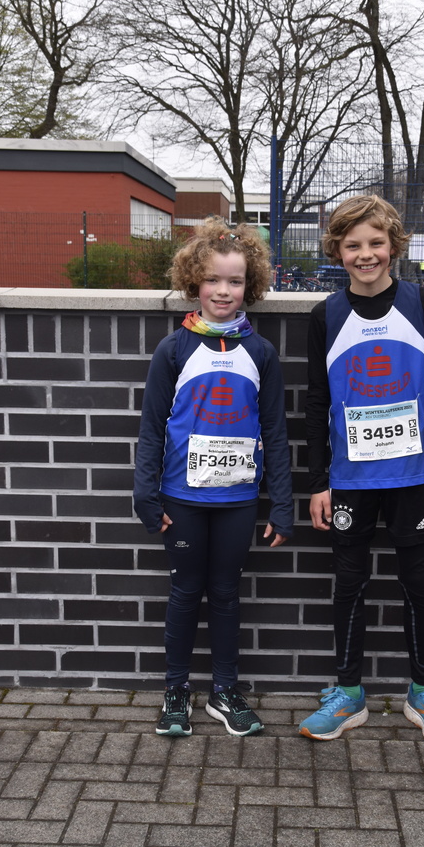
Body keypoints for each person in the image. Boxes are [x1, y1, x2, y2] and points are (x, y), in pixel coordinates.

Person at [300, 194, 424, 745]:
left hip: (415, 477)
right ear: (338, 251)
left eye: (375, 243)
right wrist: (318, 481)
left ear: (393, 245)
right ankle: (349, 695)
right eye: (353, 245)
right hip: (349, 481)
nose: (365, 254)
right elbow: (316, 404)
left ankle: (423, 692)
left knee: (418, 583)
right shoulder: (325, 315)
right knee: (349, 584)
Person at [134, 218, 293, 738]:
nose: (224, 291)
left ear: (252, 286)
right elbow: (152, 427)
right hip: (180, 498)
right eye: (214, 280)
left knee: (226, 594)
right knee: (185, 592)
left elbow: (274, 429)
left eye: (235, 281)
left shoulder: (261, 354)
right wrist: (146, 491)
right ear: (194, 282)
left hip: (238, 499)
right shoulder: (173, 350)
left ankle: (226, 692)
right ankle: (175, 691)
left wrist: (283, 503)